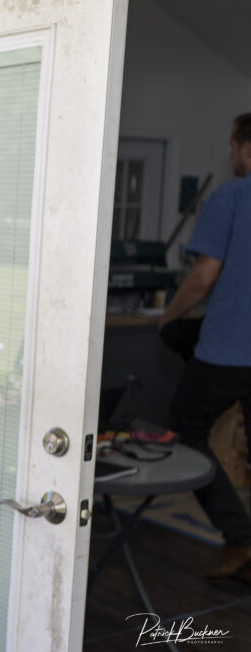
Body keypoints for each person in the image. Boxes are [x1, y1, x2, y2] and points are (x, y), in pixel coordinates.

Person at [159, 111, 251, 579]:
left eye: (233, 146)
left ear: (244, 146)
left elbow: (202, 277)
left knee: (184, 436)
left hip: (228, 352)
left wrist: (169, 318)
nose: (232, 155)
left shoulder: (231, 196)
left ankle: (239, 542)